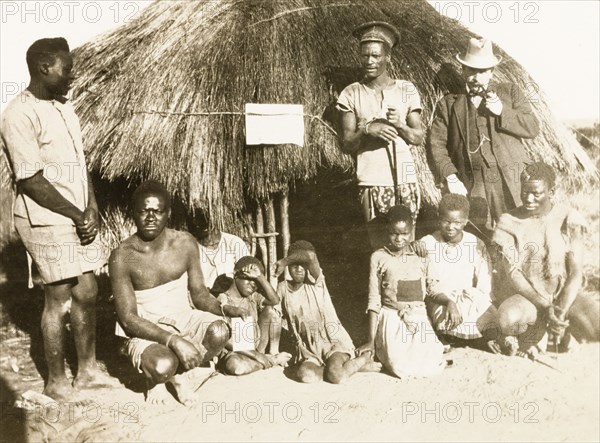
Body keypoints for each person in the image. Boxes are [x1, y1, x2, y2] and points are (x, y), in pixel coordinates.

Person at [1, 37, 117, 402]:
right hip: (45, 217)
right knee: (60, 297)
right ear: (43, 67)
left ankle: (87, 372)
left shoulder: (65, 109)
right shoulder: (18, 113)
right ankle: (55, 380)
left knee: (88, 290)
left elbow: (82, 168)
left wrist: (93, 207)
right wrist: (75, 212)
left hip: (77, 214)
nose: (72, 75)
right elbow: (31, 179)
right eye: (66, 69)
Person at [109, 181, 244, 405]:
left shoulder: (185, 243)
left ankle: (179, 375)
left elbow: (199, 293)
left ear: (168, 213)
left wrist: (223, 308)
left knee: (221, 331)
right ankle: (161, 379)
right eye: (143, 211)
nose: (150, 217)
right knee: (162, 366)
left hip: (183, 317)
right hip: (145, 325)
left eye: (157, 211)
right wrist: (174, 340)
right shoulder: (123, 256)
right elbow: (128, 319)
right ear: (133, 213)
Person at [427, 37, 540, 234]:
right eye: (471, 70)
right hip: (473, 182)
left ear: (491, 73)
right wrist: (451, 177)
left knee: (516, 231)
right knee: (480, 234)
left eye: (482, 71)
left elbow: (532, 128)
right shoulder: (448, 104)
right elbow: (436, 144)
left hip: (510, 179)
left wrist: (502, 111)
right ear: (463, 71)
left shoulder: (511, 92)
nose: (476, 77)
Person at [490, 162, 599, 357]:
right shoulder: (508, 222)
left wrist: (560, 310)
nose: (529, 199)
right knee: (506, 320)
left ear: (551, 190)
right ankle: (539, 332)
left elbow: (575, 272)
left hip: (564, 296)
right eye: (524, 192)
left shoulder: (569, 218)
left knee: (596, 327)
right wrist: (545, 306)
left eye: (536, 193)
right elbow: (514, 274)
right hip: (528, 298)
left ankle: (555, 331)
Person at [336, 21, 425, 246]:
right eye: (365, 55)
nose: (370, 61)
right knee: (379, 246)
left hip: (405, 181)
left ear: (388, 57)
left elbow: (419, 137)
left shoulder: (406, 89)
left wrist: (402, 126)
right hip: (372, 181)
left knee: (407, 244)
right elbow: (347, 143)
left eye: (376, 55)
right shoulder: (351, 93)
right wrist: (366, 129)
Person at [274, 241, 381, 384]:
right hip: (308, 349)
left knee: (337, 377)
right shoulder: (283, 288)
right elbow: (271, 308)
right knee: (306, 376)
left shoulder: (316, 282)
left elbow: (311, 256)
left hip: (332, 342)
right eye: (294, 265)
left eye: (302, 265)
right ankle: (342, 367)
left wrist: (286, 260)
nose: (299, 269)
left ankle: (361, 360)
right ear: (289, 267)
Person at [358, 206, 446, 378]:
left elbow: (432, 289)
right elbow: (374, 300)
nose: (399, 238)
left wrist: (449, 302)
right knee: (399, 365)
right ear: (387, 231)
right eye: (394, 233)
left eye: (404, 233)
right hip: (391, 317)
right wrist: (370, 340)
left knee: (430, 362)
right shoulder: (378, 257)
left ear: (411, 231)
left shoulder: (421, 255)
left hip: (418, 316)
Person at [421, 194, 497, 346]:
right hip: (441, 299)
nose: (450, 227)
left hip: (469, 297)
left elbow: (484, 282)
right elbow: (429, 285)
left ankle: (479, 337)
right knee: (447, 319)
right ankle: (461, 338)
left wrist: (475, 300)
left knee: (493, 316)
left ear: (466, 221)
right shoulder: (427, 243)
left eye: (457, 222)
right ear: (439, 218)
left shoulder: (475, 243)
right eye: (446, 221)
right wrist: (449, 302)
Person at [217, 256, 290, 375]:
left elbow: (275, 300)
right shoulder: (223, 300)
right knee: (234, 366)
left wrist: (260, 277)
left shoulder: (252, 297)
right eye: (249, 279)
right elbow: (223, 340)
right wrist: (257, 355)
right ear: (236, 274)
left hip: (257, 346)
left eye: (256, 281)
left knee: (270, 311)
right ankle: (271, 360)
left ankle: (268, 354)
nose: (253, 284)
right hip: (238, 351)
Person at [189, 212, 250, 294]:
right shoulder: (192, 248)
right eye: (204, 236)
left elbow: (247, 272)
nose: (209, 239)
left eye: (211, 232)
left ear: (216, 226)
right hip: (205, 297)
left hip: (232, 294)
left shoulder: (234, 242)